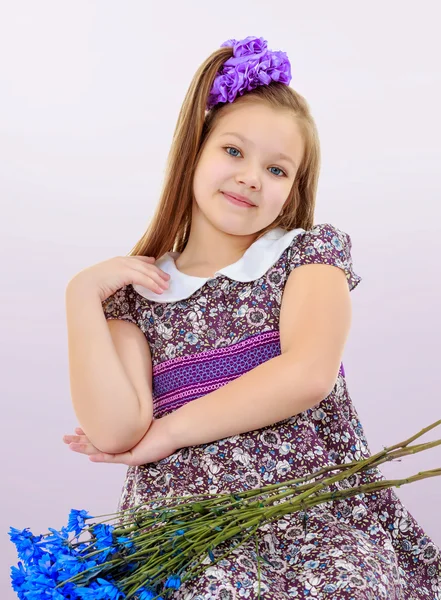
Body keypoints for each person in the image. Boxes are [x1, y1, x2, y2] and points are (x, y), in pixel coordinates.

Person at [63, 36, 441, 599]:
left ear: (291, 192)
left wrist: (169, 431)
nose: (251, 178)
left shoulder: (307, 259)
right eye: (233, 152)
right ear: (195, 150)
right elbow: (116, 429)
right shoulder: (138, 296)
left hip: (312, 522)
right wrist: (80, 296)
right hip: (185, 535)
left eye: (277, 169)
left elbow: (307, 373)